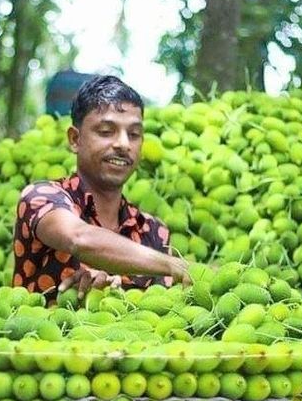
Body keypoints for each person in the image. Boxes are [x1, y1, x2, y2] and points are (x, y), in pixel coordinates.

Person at [12, 74, 191, 303]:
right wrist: (171, 264)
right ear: (75, 139)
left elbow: (162, 308)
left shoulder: (153, 231)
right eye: (106, 131)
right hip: (35, 339)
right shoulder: (41, 199)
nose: (123, 144)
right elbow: (79, 238)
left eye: (134, 134)